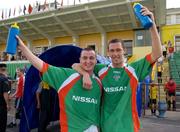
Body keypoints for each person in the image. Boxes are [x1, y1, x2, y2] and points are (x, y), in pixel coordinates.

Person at [72, 6, 162, 132]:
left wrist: (152, 25)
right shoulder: (100, 69)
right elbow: (76, 65)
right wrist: (85, 74)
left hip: (129, 127)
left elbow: (157, 53)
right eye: (112, 50)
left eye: (118, 50)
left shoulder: (134, 69)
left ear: (124, 51)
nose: (115, 54)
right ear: (108, 52)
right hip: (106, 127)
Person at [16, 37, 102, 132]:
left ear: (95, 61)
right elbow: (40, 65)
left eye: (91, 58)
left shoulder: (99, 81)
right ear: (80, 60)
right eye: (84, 58)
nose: (88, 61)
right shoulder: (66, 76)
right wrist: (22, 46)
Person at [0, 63, 11, 132]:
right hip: (1, 105)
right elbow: (5, 93)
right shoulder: (4, 79)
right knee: (2, 123)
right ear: (4, 69)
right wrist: (7, 104)